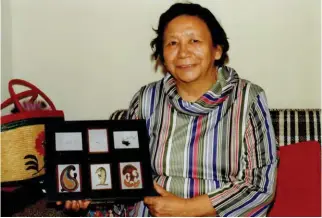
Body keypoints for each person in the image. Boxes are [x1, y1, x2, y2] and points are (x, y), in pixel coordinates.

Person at [58, 2, 278, 216]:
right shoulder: (146, 99)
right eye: (172, 43)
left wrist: (187, 209)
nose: (183, 52)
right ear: (162, 55)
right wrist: (89, 194)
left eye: (194, 40)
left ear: (217, 50)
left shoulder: (248, 98)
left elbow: (260, 187)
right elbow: (126, 175)